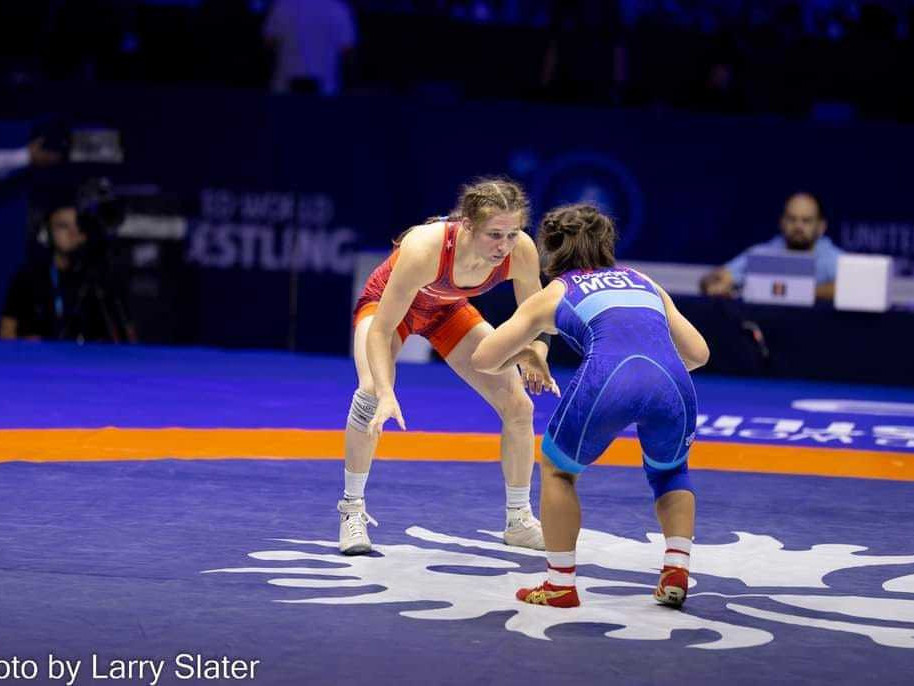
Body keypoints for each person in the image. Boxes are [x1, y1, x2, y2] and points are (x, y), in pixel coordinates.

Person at [471, 203, 709, 608]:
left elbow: (484, 359)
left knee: (558, 470)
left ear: (552, 252)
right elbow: (699, 353)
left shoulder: (556, 292)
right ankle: (676, 569)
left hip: (608, 381)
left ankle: (560, 584)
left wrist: (528, 353)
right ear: (606, 244)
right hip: (672, 381)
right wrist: (652, 377)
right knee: (671, 472)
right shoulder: (643, 281)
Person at [341, 178, 550, 555]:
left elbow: (535, 316)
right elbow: (382, 329)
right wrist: (387, 391)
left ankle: (518, 519)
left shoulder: (520, 252)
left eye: (513, 234)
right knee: (370, 393)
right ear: (467, 225)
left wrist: (537, 354)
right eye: (494, 235)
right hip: (392, 310)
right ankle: (351, 510)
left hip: (448, 310)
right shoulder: (424, 246)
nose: (504, 247)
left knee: (519, 406)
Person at [1, 199, 135, 343]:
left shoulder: (99, 279)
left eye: (78, 225)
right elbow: (7, 330)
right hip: (38, 361)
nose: (73, 232)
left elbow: (125, 336)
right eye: (63, 226)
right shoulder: (28, 277)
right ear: (46, 232)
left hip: (88, 362)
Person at [700, 192, 844, 300]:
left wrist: (798, 292)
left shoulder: (833, 258)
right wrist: (715, 285)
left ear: (821, 226)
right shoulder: (762, 254)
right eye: (792, 219)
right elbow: (713, 279)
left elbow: (852, 289)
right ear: (782, 222)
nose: (798, 226)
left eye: (806, 221)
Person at [262, 0, 356, 95]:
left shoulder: (281, 5)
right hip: (326, 87)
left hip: (285, 84)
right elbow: (347, 48)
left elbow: (268, 43)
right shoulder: (338, 8)